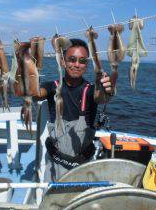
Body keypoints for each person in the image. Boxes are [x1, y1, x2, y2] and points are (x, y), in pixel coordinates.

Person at [34, 38, 113, 181]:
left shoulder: (90, 90)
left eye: (82, 61)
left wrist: (107, 89)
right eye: (72, 59)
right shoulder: (53, 86)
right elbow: (36, 94)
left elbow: (101, 97)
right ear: (63, 61)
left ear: (87, 64)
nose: (77, 64)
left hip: (82, 165)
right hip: (55, 162)